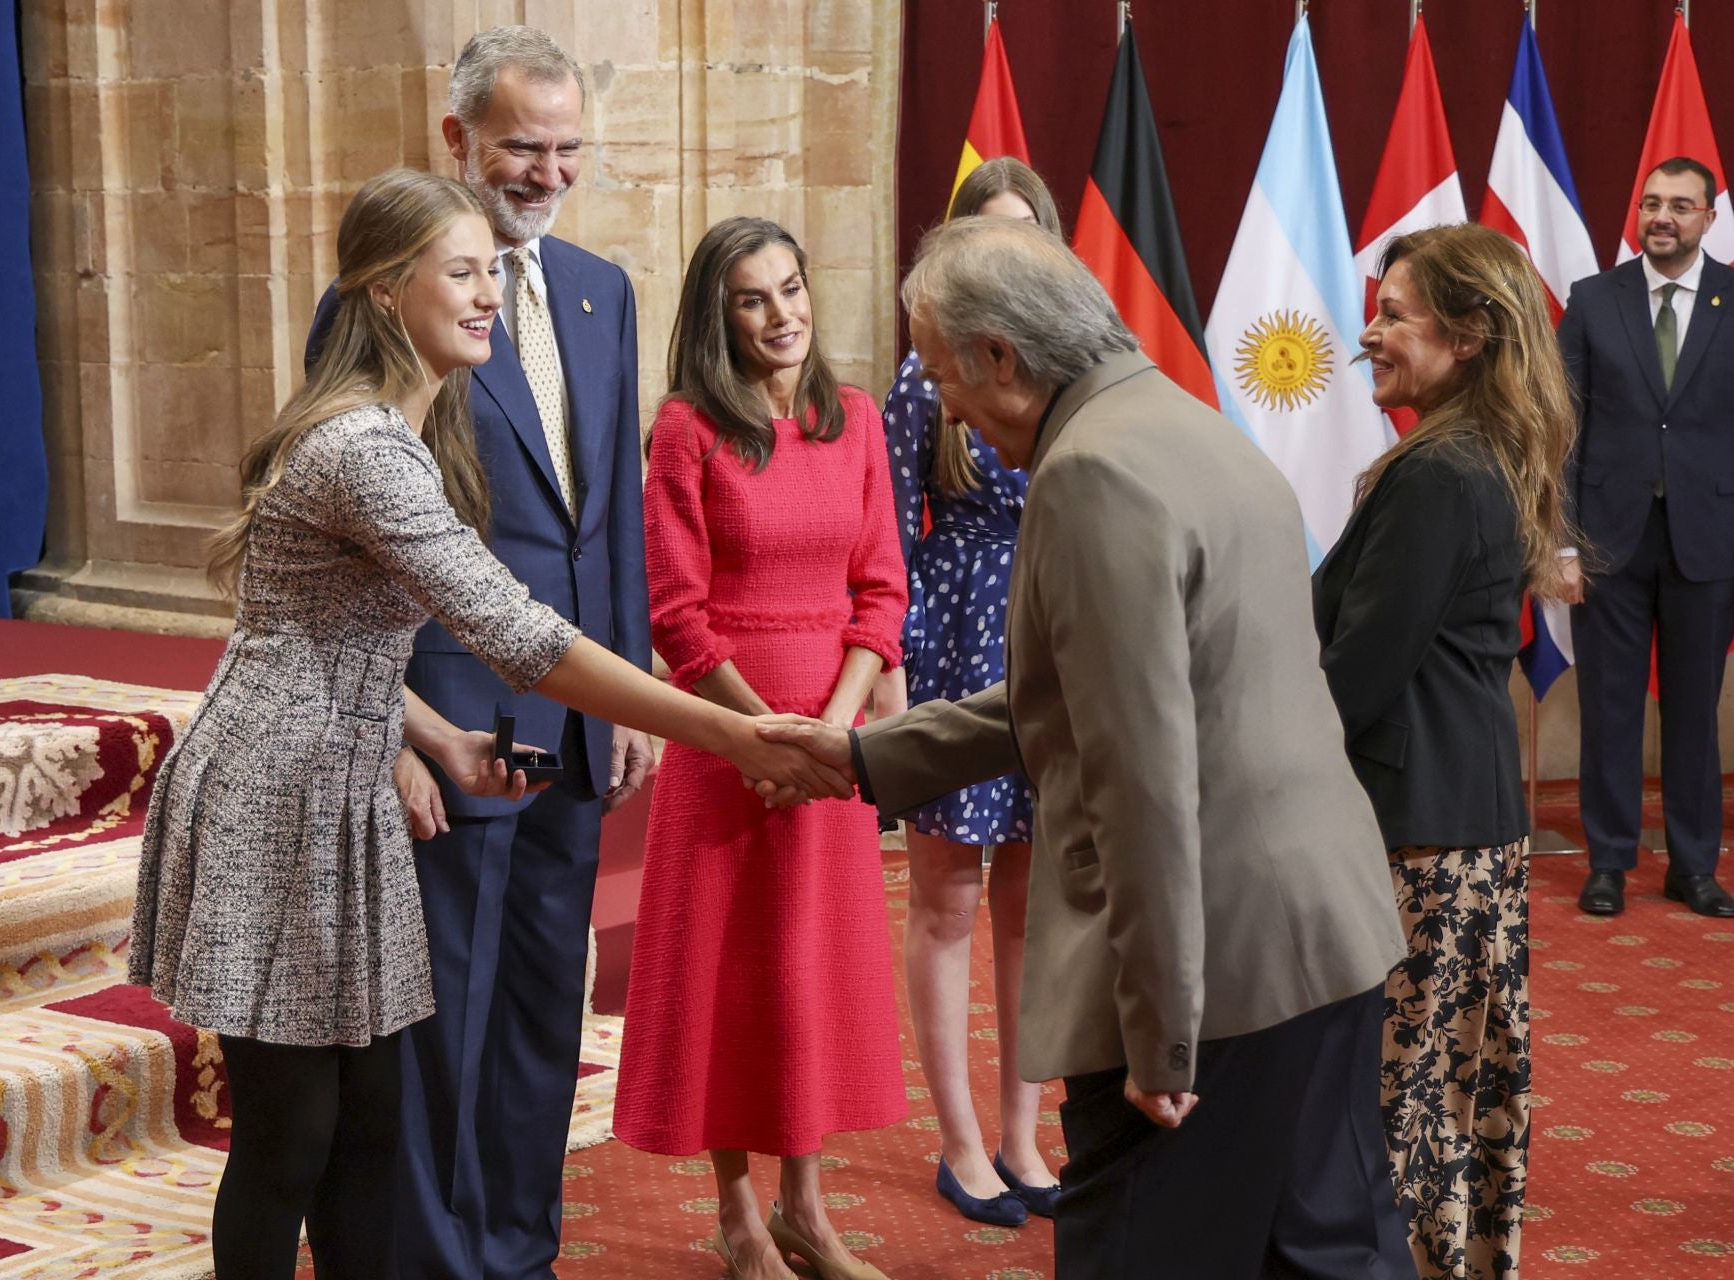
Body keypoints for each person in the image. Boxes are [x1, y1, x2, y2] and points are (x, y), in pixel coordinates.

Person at [129, 169, 845, 1280]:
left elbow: (331, 627)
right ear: (380, 293)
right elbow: (520, 634)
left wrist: (441, 738)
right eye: (462, 275)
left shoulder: (411, 434)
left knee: (370, 1123)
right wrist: (732, 733)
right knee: (291, 1136)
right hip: (275, 794)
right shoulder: (367, 447)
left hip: (351, 767)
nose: (489, 298)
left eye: (491, 276)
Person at [761, 217, 1413, 1280]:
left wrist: (1163, 1032)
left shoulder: (1088, 474)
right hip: (1323, 930)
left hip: (1215, 974)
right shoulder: (1184, 421)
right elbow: (1078, 698)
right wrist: (861, 756)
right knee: (1324, 1251)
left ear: (1001, 358)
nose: (950, 410)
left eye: (942, 375)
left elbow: (1141, 772)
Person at [304, 28, 657, 1277]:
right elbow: (343, 542)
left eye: (568, 149)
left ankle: (518, 1247)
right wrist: (390, 724)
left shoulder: (605, 291)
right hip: (450, 725)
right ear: (456, 138)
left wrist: (629, 710)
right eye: (521, 146)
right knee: (441, 1016)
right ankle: (431, 1255)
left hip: (572, 724)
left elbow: (607, 515)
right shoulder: (387, 299)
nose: (548, 172)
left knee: (540, 1010)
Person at [610, 216, 909, 1280]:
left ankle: (809, 1212)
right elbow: (678, 615)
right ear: (719, 315)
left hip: (831, 743)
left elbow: (881, 590)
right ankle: (741, 1215)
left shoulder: (857, 419)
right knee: (728, 977)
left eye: (792, 289)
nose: (783, 314)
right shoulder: (689, 430)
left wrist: (834, 725)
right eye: (754, 298)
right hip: (728, 739)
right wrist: (757, 737)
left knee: (807, 975)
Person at [1315, 223, 1578, 1278]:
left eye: (1393, 314)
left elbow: (1356, 678)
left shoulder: (1436, 471)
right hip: (1463, 821)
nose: (1367, 333)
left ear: (1469, 334)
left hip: (1417, 833)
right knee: (1451, 1095)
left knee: (1401, 1101)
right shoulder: (1481, 451)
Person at [870, 156, 1062, 1227]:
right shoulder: (922, 376)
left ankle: (1025, 1131)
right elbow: (890, 535)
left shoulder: (1072, 367)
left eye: (1023, 236)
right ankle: (957, 1140)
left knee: (1034, 905)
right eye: (984, 238)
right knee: (945, 897)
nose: (1005, 256)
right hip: (953, 641)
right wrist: (894, 681)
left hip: (1055, 634)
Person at [1560, 157, 1734, 921]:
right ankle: (1610, 863)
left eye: (1681, 205)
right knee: (1611, 708)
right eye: (1652, 203)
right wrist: (1562, 543)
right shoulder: (1594, 300)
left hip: (1711, 543)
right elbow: (1563, 432)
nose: (1663, 216)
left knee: (1695, 712)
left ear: (1708, 217)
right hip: (1606, 542)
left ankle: (1694, 866)